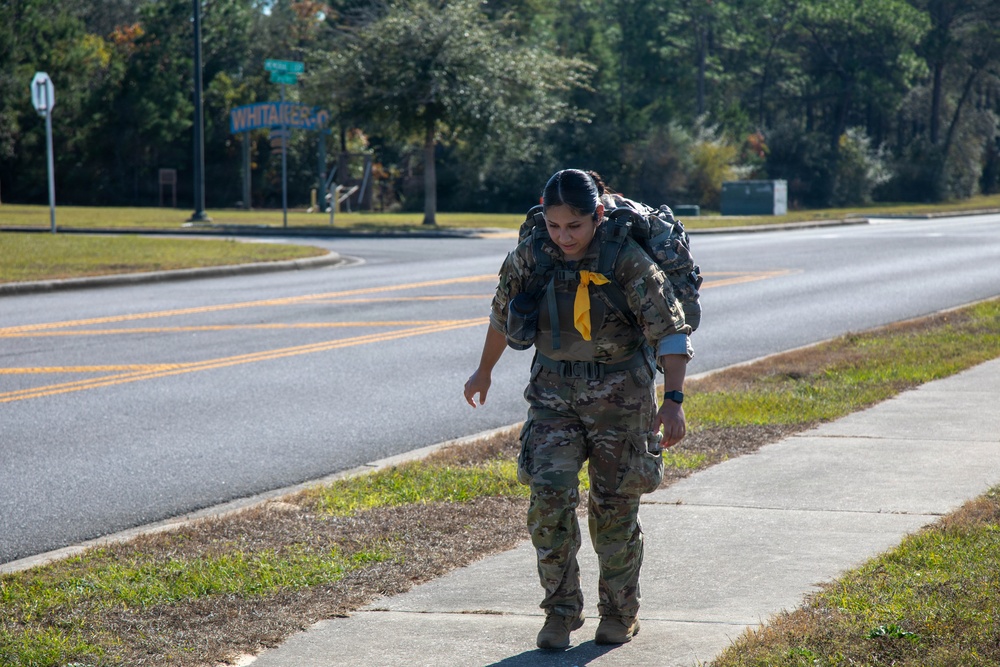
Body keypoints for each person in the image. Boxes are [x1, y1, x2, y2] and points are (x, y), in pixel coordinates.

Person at [463, 168, 693, 650]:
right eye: (554, 226)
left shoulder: (625, 259)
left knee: (613, 510)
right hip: (552, 395)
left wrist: (673, 401)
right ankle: (561, 613)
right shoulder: (533, 254)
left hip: (622, 398)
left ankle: (619, 611)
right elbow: (500, 316)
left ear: (598, 215)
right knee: (548, 503)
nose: (563, 237)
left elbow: (670, 331)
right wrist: (483, 371)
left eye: (575, 226)